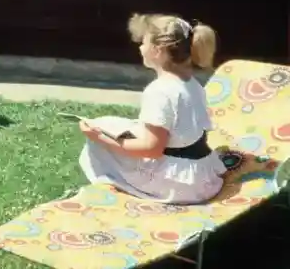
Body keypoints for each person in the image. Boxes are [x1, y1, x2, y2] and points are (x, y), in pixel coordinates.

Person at [76, 13, 227, 204]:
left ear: (158, 50)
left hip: (183, 187)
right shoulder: (192, 84)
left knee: (97, 145)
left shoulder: (159, 91)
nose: (140, 47)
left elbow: (152, 149)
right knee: (110, 124)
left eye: (144, 42)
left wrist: (100, 138)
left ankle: (109, 194)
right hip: (204, 177)